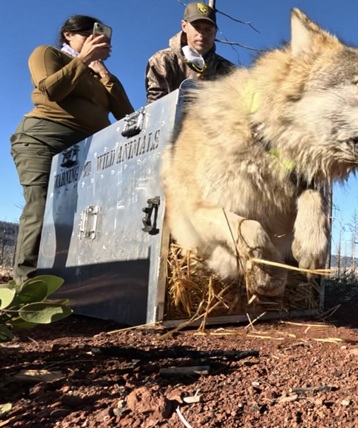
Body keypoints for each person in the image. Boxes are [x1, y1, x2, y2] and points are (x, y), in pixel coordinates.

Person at [10, 15, 134, 284]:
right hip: (43, 139)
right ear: (68, 35)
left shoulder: (100, 74)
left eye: (100, 37)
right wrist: (83, 59)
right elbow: (51, 90)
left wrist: (104, 74)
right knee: (41, 205)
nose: (96, 40)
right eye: (89, 35)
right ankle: (27, 286)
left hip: (89, 150)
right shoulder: (47, 53)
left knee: (87, 214)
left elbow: (126, 114)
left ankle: (74, 284)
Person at [145, 2, 235, 104]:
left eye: (208, 29)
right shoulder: (162, 60)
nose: (202, 34)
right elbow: (155, 107)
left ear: (215, 32)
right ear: (184, 26)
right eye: (197, 27)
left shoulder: (229, 71)